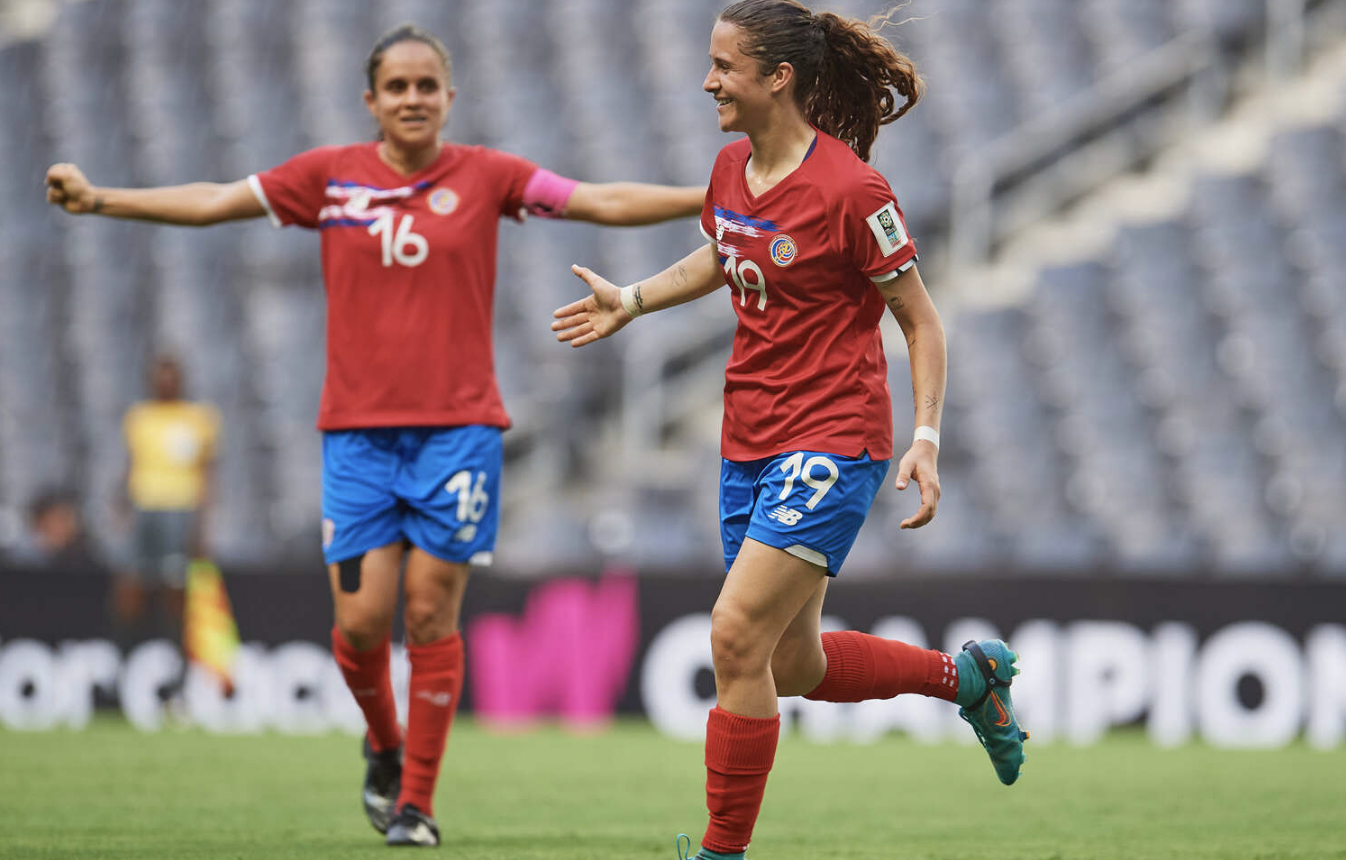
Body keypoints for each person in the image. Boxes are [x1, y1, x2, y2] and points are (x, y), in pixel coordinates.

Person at [46, 23, 705, 849]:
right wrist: (102, 199)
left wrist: (711, 197)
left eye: (427, 85)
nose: (413, 99)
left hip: (459, 435)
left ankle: (416, 806)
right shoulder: (327, 178)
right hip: (357, 439)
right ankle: (384, 744)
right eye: (397, 87)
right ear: (371, 101)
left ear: (449, 97)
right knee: (360, 625)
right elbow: (215, 200)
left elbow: (598, 200)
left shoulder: (488, 175)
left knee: (430, 614)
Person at [552, 2, 1028, 857]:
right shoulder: (732, 166)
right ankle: (969, 680)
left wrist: (926, 437)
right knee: (788, 668)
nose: (708, 81)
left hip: (834, 439)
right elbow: (720, 251)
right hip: (749, 440)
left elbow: (920, 321)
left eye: (724, 66)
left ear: (778, 77)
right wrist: (631, 300)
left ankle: (722, 851)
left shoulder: (854, 190)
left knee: (733, 635)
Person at [113, 354, 220, 668]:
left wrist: (203, 525)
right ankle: (122, 658)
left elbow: (208, 474)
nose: (165, 381)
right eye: (159, 375)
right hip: (143, 506)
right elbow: (130, 463)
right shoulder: (139, 417)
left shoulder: (199, 418)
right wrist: (119, 501)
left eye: (171, 374)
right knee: (131, 585)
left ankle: (180, 664)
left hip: (180, 508)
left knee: (176, 589)